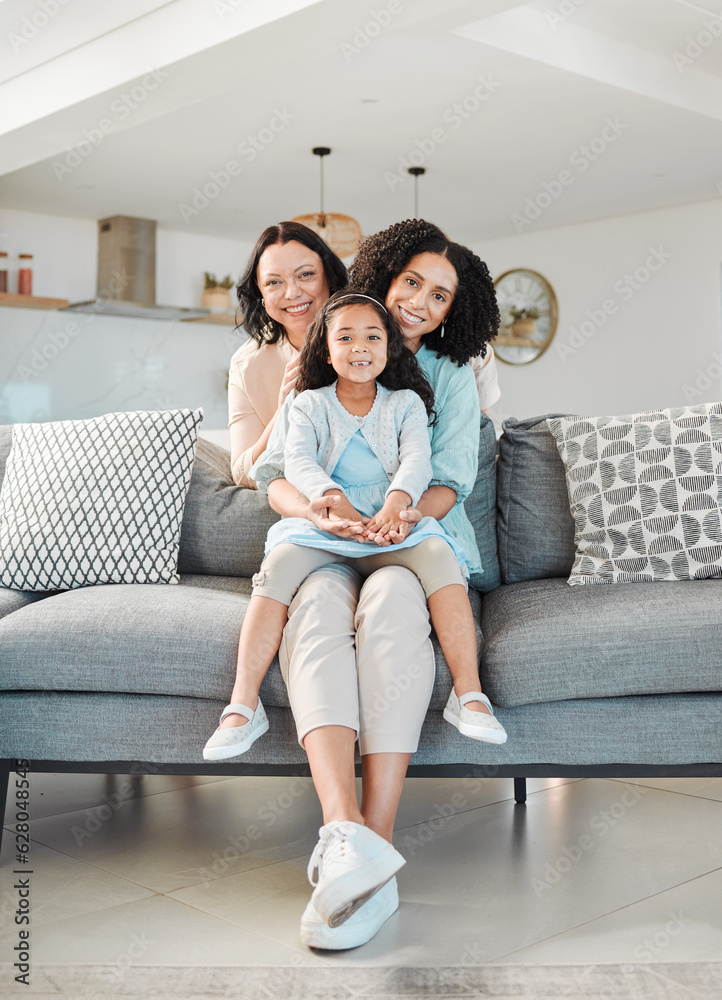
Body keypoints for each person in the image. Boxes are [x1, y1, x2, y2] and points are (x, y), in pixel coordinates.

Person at [217, 219, 501, 951]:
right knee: (312, 611)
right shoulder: (314, 364)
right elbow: (277, 471)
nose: (416, 302)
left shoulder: (443, 379)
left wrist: (394, 520)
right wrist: (327, 510)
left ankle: (373, 851)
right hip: (325, 537)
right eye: (409, 281)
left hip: (406, 539)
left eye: (438, 294)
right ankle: (342, 834)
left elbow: (447, 480)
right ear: (380, 275)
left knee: (394, 607)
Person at [203, 291, 506, 765]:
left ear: (390, 348)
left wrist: (397, 506)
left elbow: (416, 459)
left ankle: (469, 696)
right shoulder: (307, 404)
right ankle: (242, 705)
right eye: (345, 337)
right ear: (325, 348)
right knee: (279, 564)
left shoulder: (405, 403)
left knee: (438, 556)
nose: (359, 346)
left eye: (372, 336)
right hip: (328, 520)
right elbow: (297, 461)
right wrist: (332, 504)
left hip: (390, 522)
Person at [228, 220, 347, 489]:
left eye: (305, 275)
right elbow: (242, 473)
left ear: (329, 277)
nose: (292, 293)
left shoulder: (371, 340)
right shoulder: (247, 365)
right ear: (260, 294)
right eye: (273, 282)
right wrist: (284, 411)